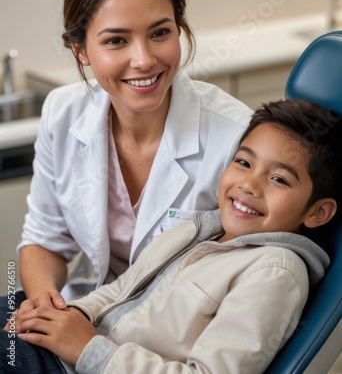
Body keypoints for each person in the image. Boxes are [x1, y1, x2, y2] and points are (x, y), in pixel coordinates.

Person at [0, 0, 252, 321]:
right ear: (80, 50)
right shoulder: (62, 113)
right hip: (85, 313)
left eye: (160, 33)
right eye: (116, 40)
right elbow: (43, 241)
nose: (144, 59)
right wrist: (46, 304)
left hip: (167, 339)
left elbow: (250, 280)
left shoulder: (236, 138)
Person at [2, 98, 342, 373]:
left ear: (317, 212)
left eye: (279, 179)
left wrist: (87, 348)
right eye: (243, 163)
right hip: (77, 344)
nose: (248, 185)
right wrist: (68, 316)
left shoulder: (274, 271)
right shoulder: (201, 229)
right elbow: (120, 291)